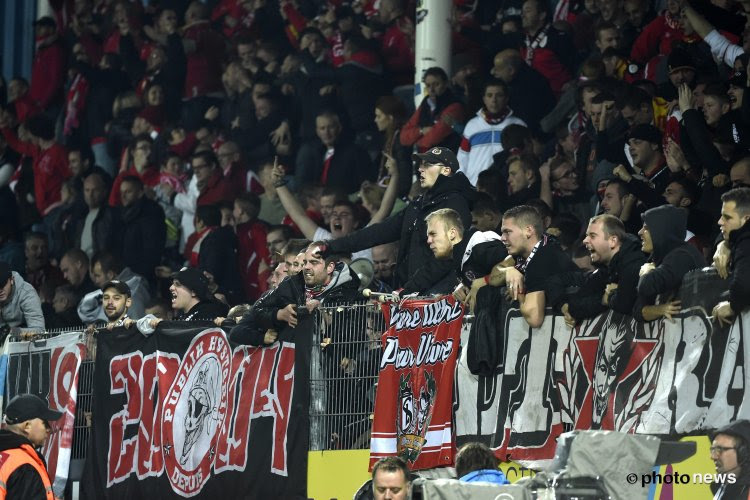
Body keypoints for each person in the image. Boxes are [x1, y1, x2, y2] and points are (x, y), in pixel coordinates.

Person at [325, 147, 476, 294]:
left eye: (428, 165)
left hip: (439, 298)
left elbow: (447, 256)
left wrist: (412, 288)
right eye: (421, 164)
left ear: (446, 170)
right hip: (415, 294)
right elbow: (379, 232)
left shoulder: (455, 203)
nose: (420, 169)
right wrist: (331, 246)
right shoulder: (419, 204)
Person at [489, 205, 578, 327]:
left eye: (507, 232)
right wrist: (509, 271)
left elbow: (534, 318)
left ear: (528, 231)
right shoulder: (526, 252)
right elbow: (494, 276)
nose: (502, 238)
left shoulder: (543, 256)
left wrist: (520, 292)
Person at [551, 215, 647, 326]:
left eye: (592, 236)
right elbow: (576, 303)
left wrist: (610, 298)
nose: (585, 240)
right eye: (587, 236)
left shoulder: (634, 264)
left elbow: (624, 304)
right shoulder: (607, 268)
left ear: (613, 241)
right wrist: (603, 300)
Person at [635, 205, 705, 321]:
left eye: (646, 228)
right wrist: (660, 309)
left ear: (661, 231)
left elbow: (645, 286)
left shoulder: (683, 256)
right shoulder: (657, 259)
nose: (640, 232)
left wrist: (647, 272)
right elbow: (638, 310)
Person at [425, 208, 507, 301]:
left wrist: (485, 280)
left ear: (452, 234)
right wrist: (463, 288)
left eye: (433, 234)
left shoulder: (480, 245)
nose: (429, 240)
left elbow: (516, 266)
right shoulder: (462, 257)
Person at [457, 78, 526, 185]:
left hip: (506, 187)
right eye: (489, 95)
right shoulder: (472, 125)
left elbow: (525, 159)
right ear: (484, 99)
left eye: (499, 95)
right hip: (475, 188)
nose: (494, 100)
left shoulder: (518, 125)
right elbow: (462, 159)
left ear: (506, 98)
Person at [0, 393, 61, 500]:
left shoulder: (6, 455)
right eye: (44, 423)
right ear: (27, 426)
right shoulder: (24, 467)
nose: (49, 429)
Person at [401, 67, 466, 152]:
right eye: (428, 85)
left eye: (436, 84)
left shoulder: (454, 105)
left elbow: (432, 139)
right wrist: (421, 131)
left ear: (446, 84)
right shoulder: (425, 103)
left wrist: (416, 142)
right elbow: (403, 137)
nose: (431, 89)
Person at [713, 188, 750, 326]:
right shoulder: (740, 239)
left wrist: (733, 305)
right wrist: (725, 244)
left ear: (746, 219)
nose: (720, 222)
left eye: (727, 217)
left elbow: (744, 285)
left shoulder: (746, 241)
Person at [709, 420, 750, 499]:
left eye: (720, 449)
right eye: (713, 450)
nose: (713, 457)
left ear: (744, 453)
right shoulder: (721, 487)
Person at [0, 262, 45, 332]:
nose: (0, 290)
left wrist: (12, 332)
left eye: (2, 285)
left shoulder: (27, 293)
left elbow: (39, 330)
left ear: (12, 280)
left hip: (24, 340)